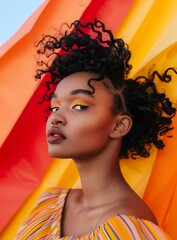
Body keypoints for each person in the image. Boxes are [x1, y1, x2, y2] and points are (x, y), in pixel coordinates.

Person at [15, 19, 176, 239]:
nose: (56, 118)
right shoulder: (50, 204)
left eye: (79, 106)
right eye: (54, 107)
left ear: (119, 125)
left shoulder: (128, 228)